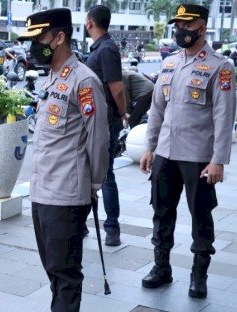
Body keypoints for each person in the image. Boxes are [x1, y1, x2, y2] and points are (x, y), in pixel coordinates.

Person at [16, 8, 109, 312]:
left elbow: (98, 138)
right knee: (53, 264)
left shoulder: (84, 81)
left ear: (58, 37)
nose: (32, 47)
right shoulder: (54, 76)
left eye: (38, 39)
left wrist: (94, 184)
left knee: (65, 270)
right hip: (43, 187)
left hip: (68, 192)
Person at [139, 4, 236, 299]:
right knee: (161, 212)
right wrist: (149, 147)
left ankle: (198, 274)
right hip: (166, 154)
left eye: (187, 25)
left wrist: (218, 160)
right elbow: (157, 109)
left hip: (198, 157)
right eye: (178, 25)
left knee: (201, 216)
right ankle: (162, 267)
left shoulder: (221, 66)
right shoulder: (169, 63)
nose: (181, 30)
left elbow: (224, 116)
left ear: (202, 28)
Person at [85, 5, 126, 246]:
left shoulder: (107, 49)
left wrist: (121, 113)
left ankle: (112, 228)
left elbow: (117, 88)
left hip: (106, 121)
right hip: (94, 120)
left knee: (106, 174)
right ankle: (82, 225)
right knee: (89, 172)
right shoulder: (100, 49)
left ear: (90, 23)